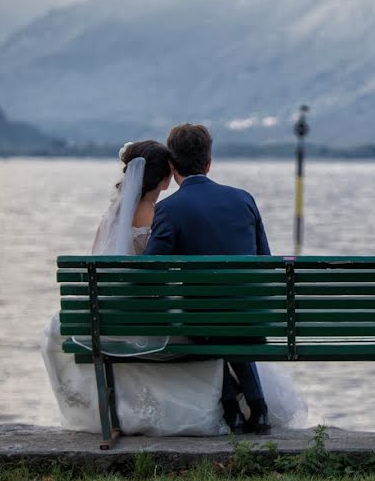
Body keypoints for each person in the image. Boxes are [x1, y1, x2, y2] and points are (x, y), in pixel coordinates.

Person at [40, 139, 306, 437]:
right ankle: (246, 405)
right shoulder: (165, 214)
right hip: (163, 324)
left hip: (113, 320)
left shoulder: (112, 219)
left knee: (212, 317)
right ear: (168, 173)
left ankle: (236, 404)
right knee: (219, 316)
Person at [145, 123, 273, 434]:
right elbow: (265, 261)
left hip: (203, 325)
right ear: (209, 162)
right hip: (251, 321)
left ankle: (231, 405)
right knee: (228, 312)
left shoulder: (168, 210)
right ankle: (256, 404)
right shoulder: (244, 199)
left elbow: (146, 276)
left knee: (205, 317)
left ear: (172, 167)